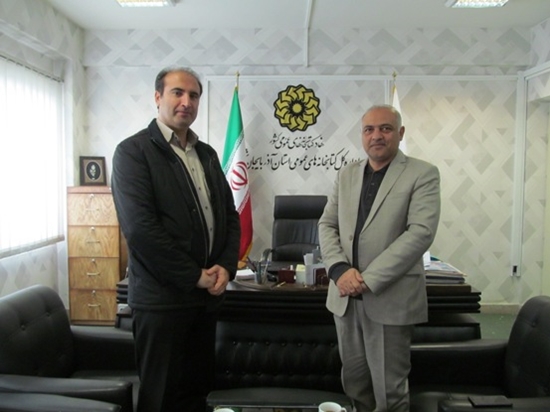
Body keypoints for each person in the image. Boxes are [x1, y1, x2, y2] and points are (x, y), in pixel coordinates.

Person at [111, 66, 240, 412]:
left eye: (194, 95)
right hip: (162, 301)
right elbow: (140, 230)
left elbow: (229, 215)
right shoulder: (133, 152)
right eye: (177, 93)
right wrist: (194, 275)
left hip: (205, 300)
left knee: (198, 394)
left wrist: (226, 266)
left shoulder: (207, 154)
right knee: (161, 398)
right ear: (158, 97)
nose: (186, 102)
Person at [318, 105, 441, 412]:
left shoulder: (422, 173)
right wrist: (339, 270)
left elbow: (420, 233)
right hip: (345, 299)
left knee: (389, 391)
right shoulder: (347, 174)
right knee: (355, 383)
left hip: (389, 297)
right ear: (362, 135)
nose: (377, 136)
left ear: (400, 133)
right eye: (369, 129)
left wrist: (367, 280)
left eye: (385, 128)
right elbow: (327, 224)